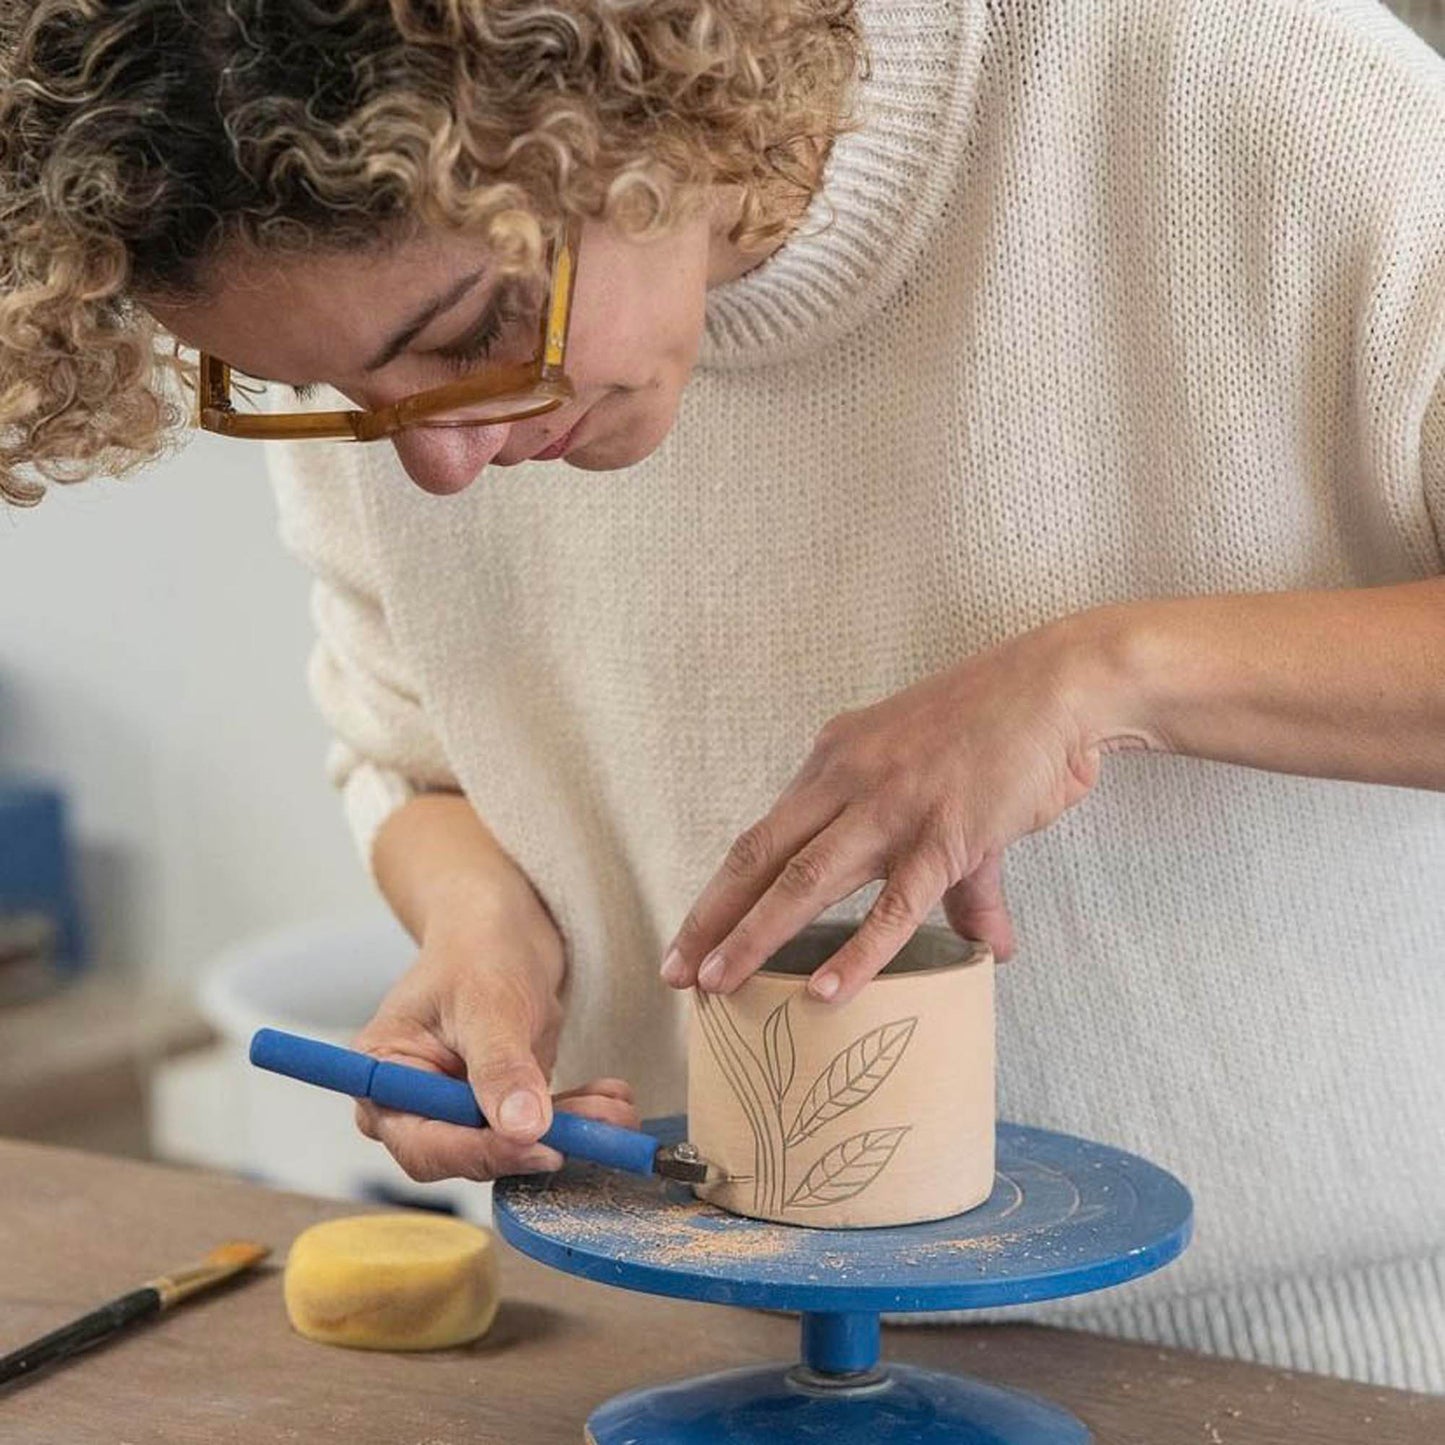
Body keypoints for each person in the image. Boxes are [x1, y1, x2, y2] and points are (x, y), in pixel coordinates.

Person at [2, 0, 1442, 1393]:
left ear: (621, 88)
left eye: (471, 326)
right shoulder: (388, 355)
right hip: (699, 1337)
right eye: (332, 398)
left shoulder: (1254, 95)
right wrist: (485, 930)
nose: (436, 465)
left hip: (1308, 1366)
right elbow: (416, 752)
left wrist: (1103, 675)